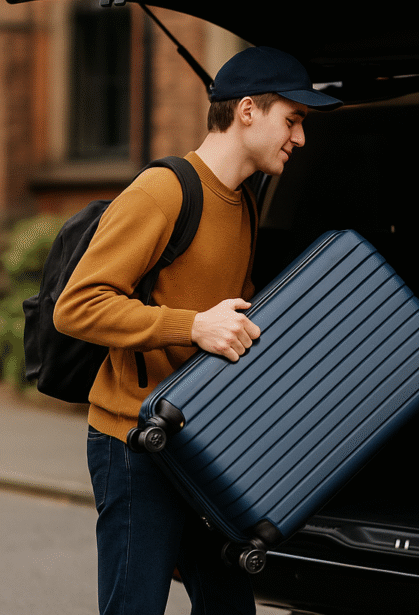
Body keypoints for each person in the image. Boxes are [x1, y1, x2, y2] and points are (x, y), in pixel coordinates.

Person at [53, 46, 341, 615]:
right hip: (133, 443)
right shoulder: (163, 191)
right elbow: (77, 306)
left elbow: (227, 317)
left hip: (199, 447)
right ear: (249, 111)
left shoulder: (244, 204)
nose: (300, 138)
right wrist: (192, 326)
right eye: (294, 120)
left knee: (229, 606)